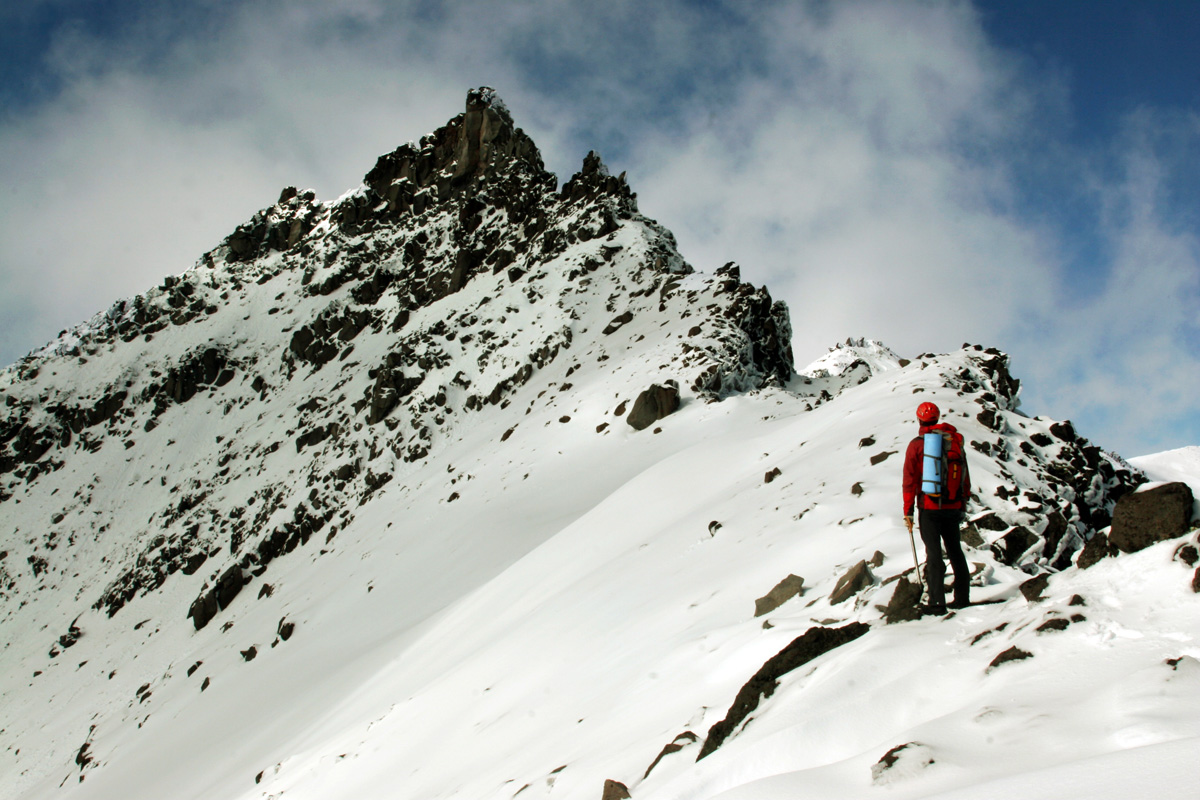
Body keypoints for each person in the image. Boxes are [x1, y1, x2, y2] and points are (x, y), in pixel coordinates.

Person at [902, 401, 971, 614]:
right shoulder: (955, 441)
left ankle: (937, 602)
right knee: (955, 551)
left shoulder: (917, 444)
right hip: (953, 505)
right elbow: (965, 474)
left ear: (919, 419)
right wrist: (963, 501)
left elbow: (909, 480)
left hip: (930, 507)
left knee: (933, 554)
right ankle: (962, 597)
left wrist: (908, 510)